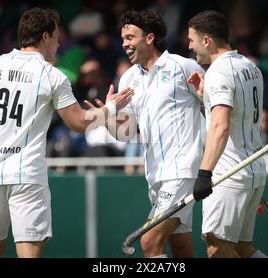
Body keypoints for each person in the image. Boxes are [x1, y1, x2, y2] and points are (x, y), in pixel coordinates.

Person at [0, 7, 133, 258]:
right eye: (57, 37)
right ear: (45, 36)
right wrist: (110, 108)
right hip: (26, 179)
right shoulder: (52, 76)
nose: (59, 44)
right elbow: (78, 123)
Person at [87, 10, 204, 258]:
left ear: (149, 38)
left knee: (150, 243)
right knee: (181, 249)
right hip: (155, 176)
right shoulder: (128, 78)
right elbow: (126, 133)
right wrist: (108, 117)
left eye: (130, 37)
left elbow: (213, 106)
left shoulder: (184, 66)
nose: (125, 44)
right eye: (122, 38)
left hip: (182, 171)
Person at [187, 10, 267, 258]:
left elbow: (221, 125)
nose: (190, 46)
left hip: (228, 174)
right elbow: (236, 113)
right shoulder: (250, 66)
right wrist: (205, 97)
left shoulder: (218, 72)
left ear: (207, 40)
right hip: (254, 170)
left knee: (217, 249)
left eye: (192, 40)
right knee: (242, 249)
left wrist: (204, 173)